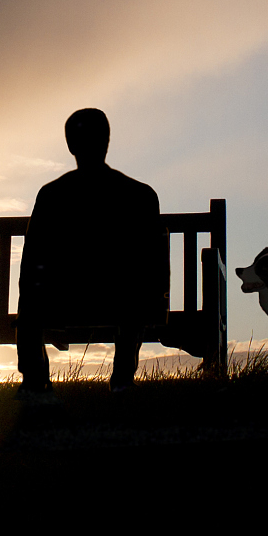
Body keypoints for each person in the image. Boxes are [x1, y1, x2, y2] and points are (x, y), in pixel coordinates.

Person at [16, 108, 167, 398]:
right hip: (122, 300)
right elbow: (153, 265)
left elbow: (32, 264)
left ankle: (34, 382)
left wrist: (35, 298)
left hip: (61, 301)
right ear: (107, 141)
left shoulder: (51, 195)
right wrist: (155, 299)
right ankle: (122, 378)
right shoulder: (140, 195)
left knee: (32, 300)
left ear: (70, 145)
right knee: (135, 290)